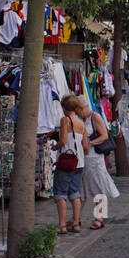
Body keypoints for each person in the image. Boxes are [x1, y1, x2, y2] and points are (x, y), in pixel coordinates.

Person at [78, 97, 119, 228]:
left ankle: (99, 217)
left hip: (95, 158)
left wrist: (90, 143)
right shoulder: (82, 119)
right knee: (81, 187)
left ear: (83, 107)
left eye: (78, 110)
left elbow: (104, 136)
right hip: (84, 158)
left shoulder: (95, 117)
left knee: (98, 187)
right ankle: (76, 217)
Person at [54, 94, 87, 233]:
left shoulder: (65, 120)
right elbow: (86, 146)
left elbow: (62, 141)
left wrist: (55, 147)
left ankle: (62, 225)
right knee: (74, 192)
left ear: (65, 108)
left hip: (66, 161)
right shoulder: (81, 122)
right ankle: (76, 223)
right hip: (79, 163)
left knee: (60, 193)